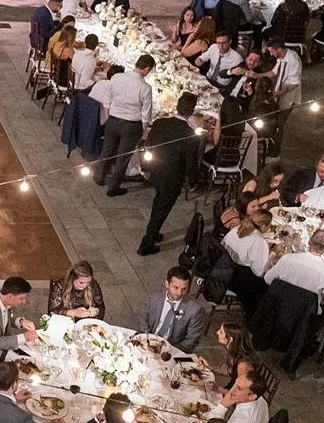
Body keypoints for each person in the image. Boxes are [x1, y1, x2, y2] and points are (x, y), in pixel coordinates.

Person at [137, 92, 200, 256]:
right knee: (161, 209)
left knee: (159, 205)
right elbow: (190, 163)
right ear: (191, 111)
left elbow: (147, 147)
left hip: (155, 170)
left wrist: (145, 168)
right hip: (171, 178)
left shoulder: (159, 123)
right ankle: (147, 244)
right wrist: (193, 182)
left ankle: (154, 233)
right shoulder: (190, 135)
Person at [97, 55, 157, 194]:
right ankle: (113, 188)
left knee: (107, 149)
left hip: (113, 119)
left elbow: (107, 100)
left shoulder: (117, 77)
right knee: (123, 157)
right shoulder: (145, 88)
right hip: (131, 125)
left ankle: (99, 177)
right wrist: (142, 131)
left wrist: (108, 117)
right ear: (147, 69)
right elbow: (145, 114)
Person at [267, 228, 324, 315]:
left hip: (277, 308)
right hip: (304, 318)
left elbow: (268, 279)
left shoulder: (287, 259)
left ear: (309, 242)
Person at [135, 268, 209, 352]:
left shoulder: (194, 309)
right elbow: (143, 318)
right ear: (167, 284)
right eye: (176, 287)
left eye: (184, 289)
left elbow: (192, 339)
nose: (179, 293)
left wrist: (169, 351)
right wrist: (146, 338)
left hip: (172, 349)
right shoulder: (154, 297)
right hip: (148, 340)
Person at [196, 31, 243, 96]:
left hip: (221, 86)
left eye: (224, 43)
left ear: (230, 42)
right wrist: (199, 60)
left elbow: (236, 80)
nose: (221, 46)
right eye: (218, 43)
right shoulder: (213, 47)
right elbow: (202, 57)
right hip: (208, 79)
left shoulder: (237, 58)